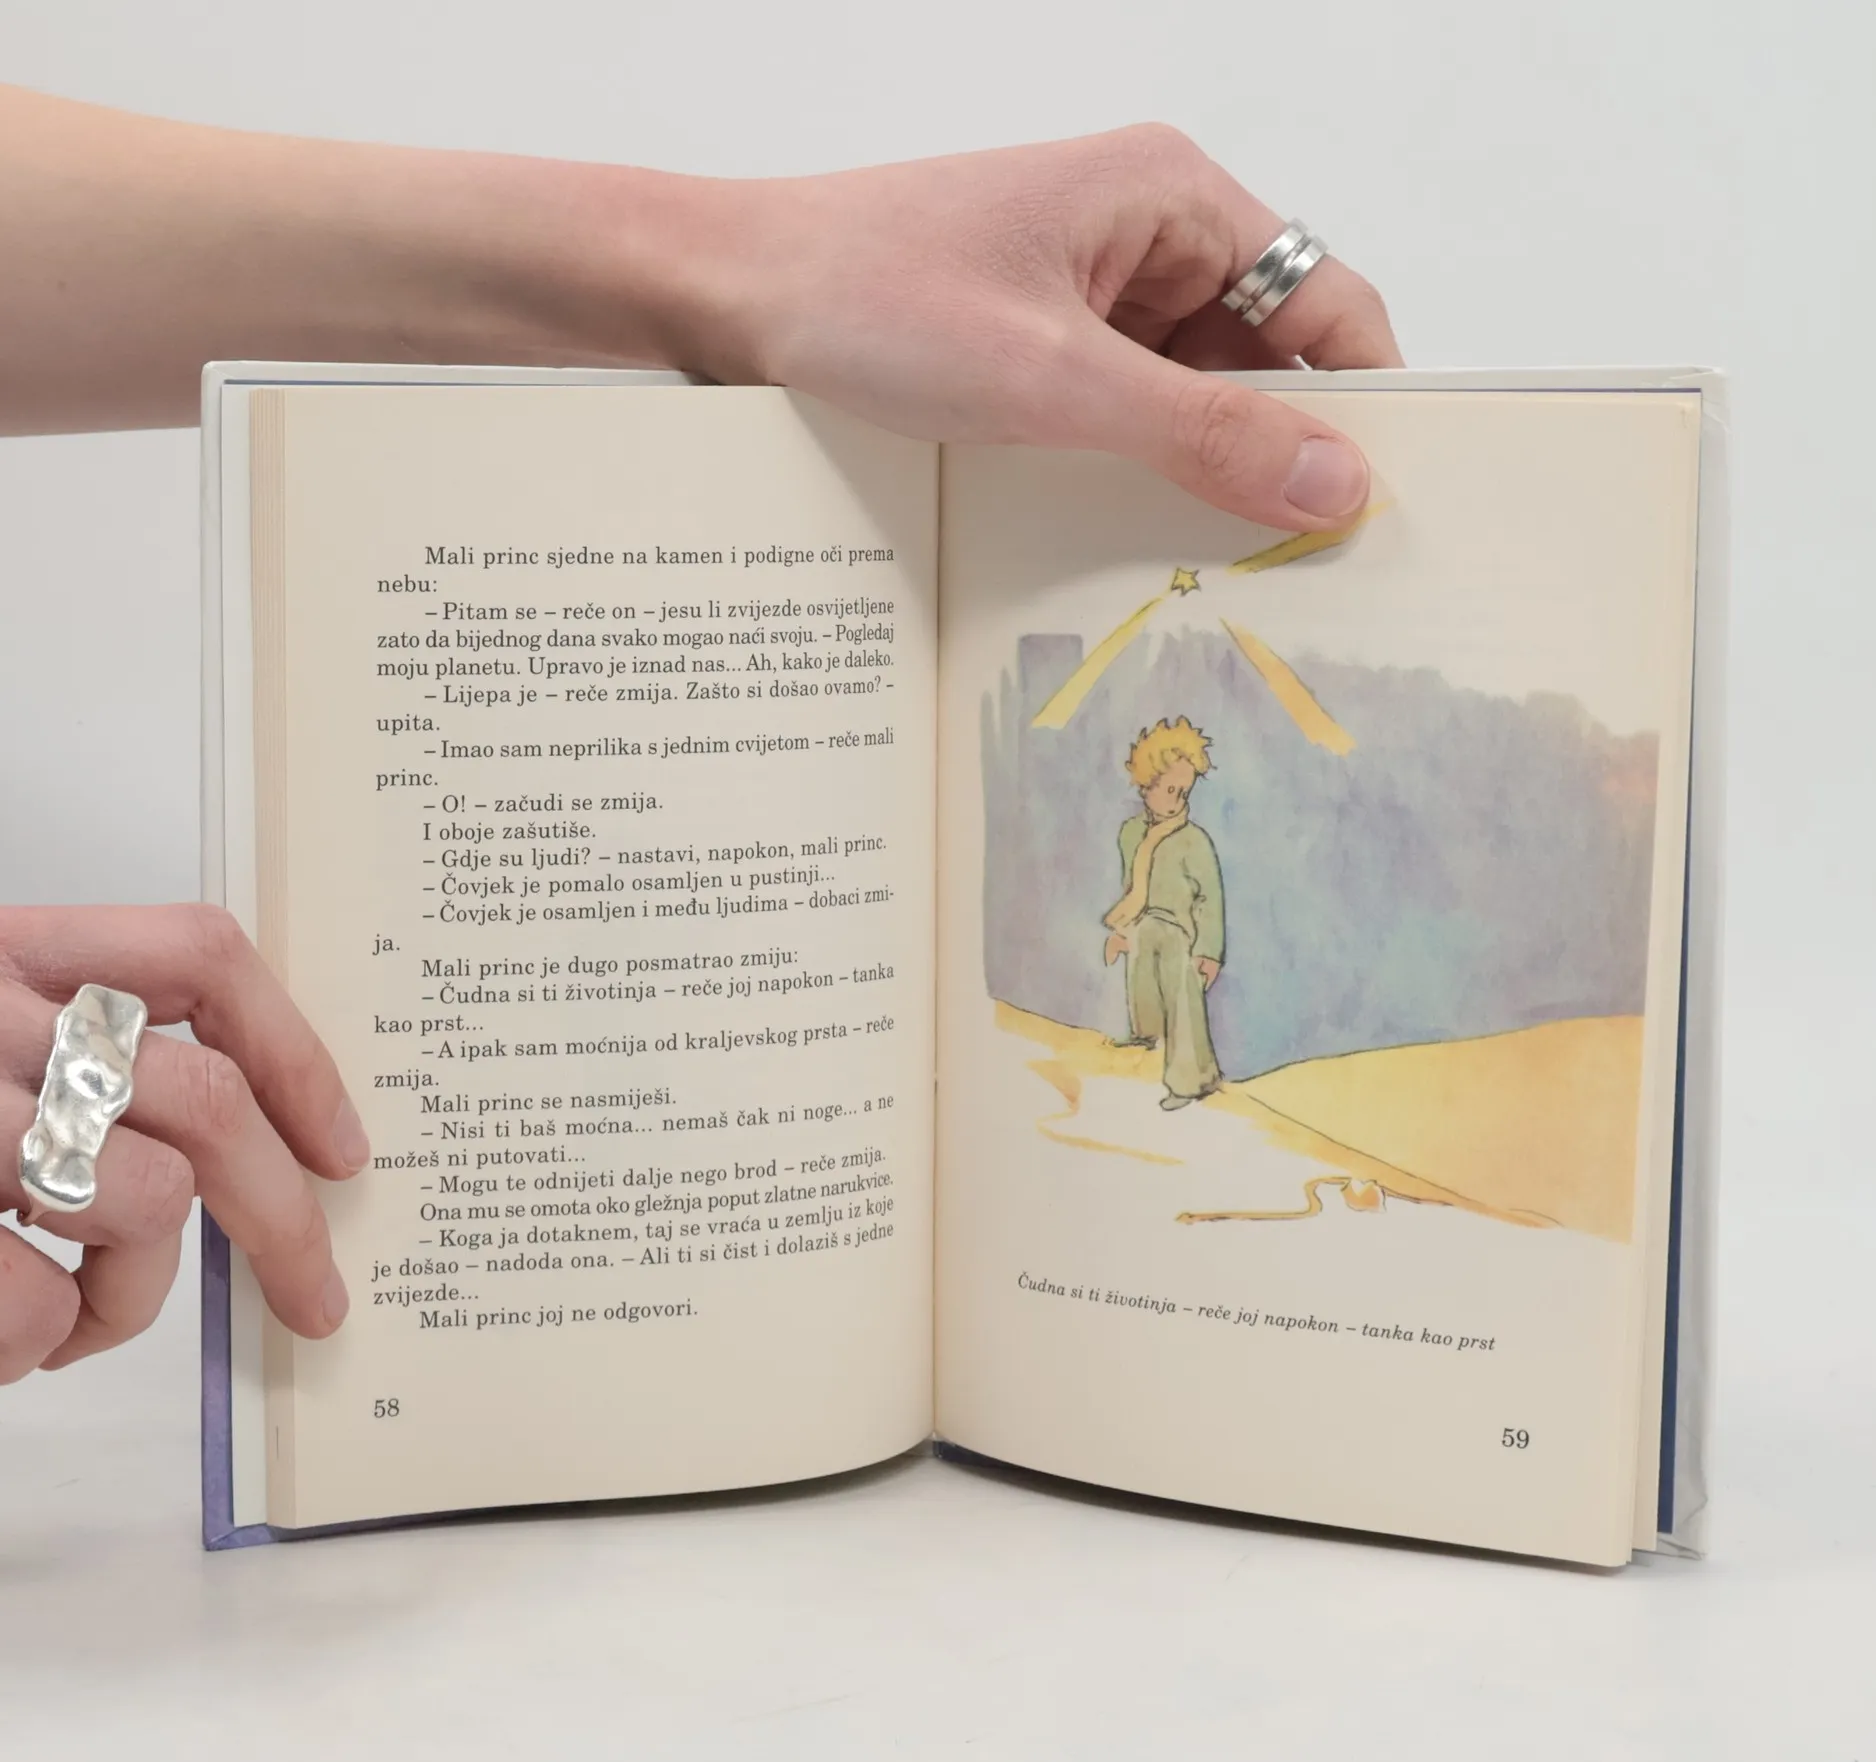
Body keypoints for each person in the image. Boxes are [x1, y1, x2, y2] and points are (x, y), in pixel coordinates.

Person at [0, 84, 1401, 1384]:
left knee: (1177, 1020)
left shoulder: (1183, 840)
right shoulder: (1144, 835)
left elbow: (1187, 887)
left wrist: (749, 265)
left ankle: (1188, 1077)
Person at [1103, 720, 1225, 1110]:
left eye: (1184, 792)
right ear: (1147, 784)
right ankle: (1147, 1040)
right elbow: (1130, 890)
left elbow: (1210, 899)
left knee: (1183, 1002)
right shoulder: (1130, 833)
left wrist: (1208, 952)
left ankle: (1192, 1078)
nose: (1177, 799)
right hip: (1145, 925)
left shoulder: (1194, 840)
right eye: (1170, 789)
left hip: (1180, 934)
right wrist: (1123, 932)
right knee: (1142, 979)